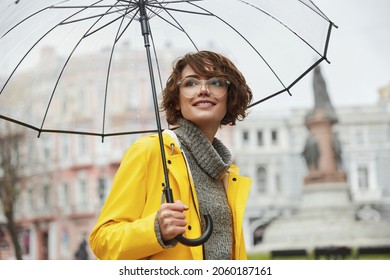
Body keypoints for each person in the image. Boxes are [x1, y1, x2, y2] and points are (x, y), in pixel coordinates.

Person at [89, 50, 253, 260]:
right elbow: (102, 240)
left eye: (216, 82)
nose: (203, 90)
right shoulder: (149, 152)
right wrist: (155, 229)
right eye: (190, 83)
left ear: (229, 97)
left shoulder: (227, 174)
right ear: (177, 101)